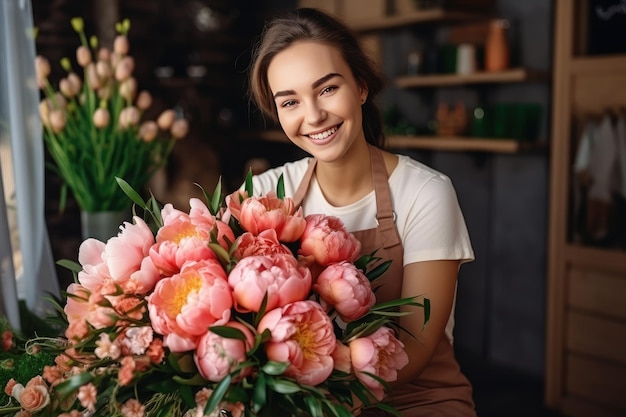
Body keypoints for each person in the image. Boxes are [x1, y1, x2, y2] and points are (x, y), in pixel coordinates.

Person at [247, 7, 476, 417]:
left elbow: (414, 348)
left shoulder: (426, 193)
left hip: (416, 398)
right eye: (290, 101)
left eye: (328, 89)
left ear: (361, 86)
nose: (313, 115)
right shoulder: (265, 195)